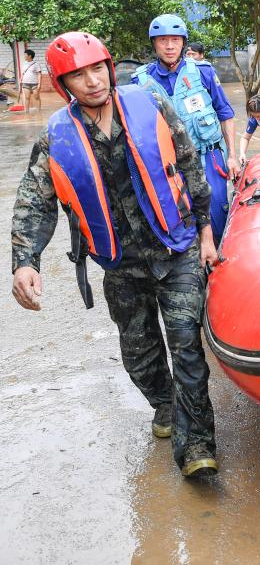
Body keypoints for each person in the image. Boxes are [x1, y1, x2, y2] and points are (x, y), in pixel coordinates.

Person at [11, 32, 220, 478]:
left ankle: (198, 446)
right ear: (63, 83)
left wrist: (206, 233)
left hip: (175, 248)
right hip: (120, 264)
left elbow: (188, 165)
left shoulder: (151, 104)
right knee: (140, 355)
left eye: (96, 68)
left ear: (109, 66)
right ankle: (164, 406)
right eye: (78, 75)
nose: (91, 81)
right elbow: (35, 201)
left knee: (186, 345)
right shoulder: (56, 136)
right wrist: (25, 261)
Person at [132, 14, 238, 244]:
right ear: (154, 43)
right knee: (180, 219)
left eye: (175, 40)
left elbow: (225, 114)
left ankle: (218, 265)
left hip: (209, 156)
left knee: (217, 211)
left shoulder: (204, 72)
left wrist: (231, 157)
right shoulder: (140, 83)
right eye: (162, 40)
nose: (169, 46)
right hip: (170, 165)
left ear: (183, 42)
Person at [19, 48, 43, 113]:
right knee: (27, 98)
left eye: (25, 55)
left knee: (36, 97)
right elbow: (23, 72)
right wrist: (21, 79)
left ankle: (38, 112)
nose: (24, 56)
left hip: (34, 83)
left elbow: (39, 74)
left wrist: (39, 84)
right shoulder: (24, 63)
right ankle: (26, 112)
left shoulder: (36, 64)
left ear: (29, 56)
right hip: (25, 83)